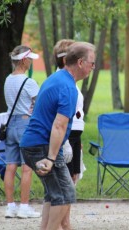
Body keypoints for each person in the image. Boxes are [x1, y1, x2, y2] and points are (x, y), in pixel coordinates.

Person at [20, 41, 95, 230]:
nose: (93, 67)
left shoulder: (57, 78)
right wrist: (51, 158)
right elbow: (59, 125)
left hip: (34, 143)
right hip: (41, 146)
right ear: (80, 63)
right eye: (91, 63)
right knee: (65, 194)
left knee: (54, 193)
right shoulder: (68, 88)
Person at [3, 45, 40, 219]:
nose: (32, 62)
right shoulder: (28, 82)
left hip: (10, 124)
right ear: (24, 60)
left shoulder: (8, 79)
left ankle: (10, 206)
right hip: (25, 125)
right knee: (27, 167)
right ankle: (24, 207)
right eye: (30, 58)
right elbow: (39, 103)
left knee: (10, 166)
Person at [53, 39, 85, 184]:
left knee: (74, 174)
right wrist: (66, 141)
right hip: (67, 134)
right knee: (68, 175)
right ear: (66, 59)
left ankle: (68, 205)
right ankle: (63, 205)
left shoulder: (71, 80)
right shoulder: (62, 81)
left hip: (75, 133)